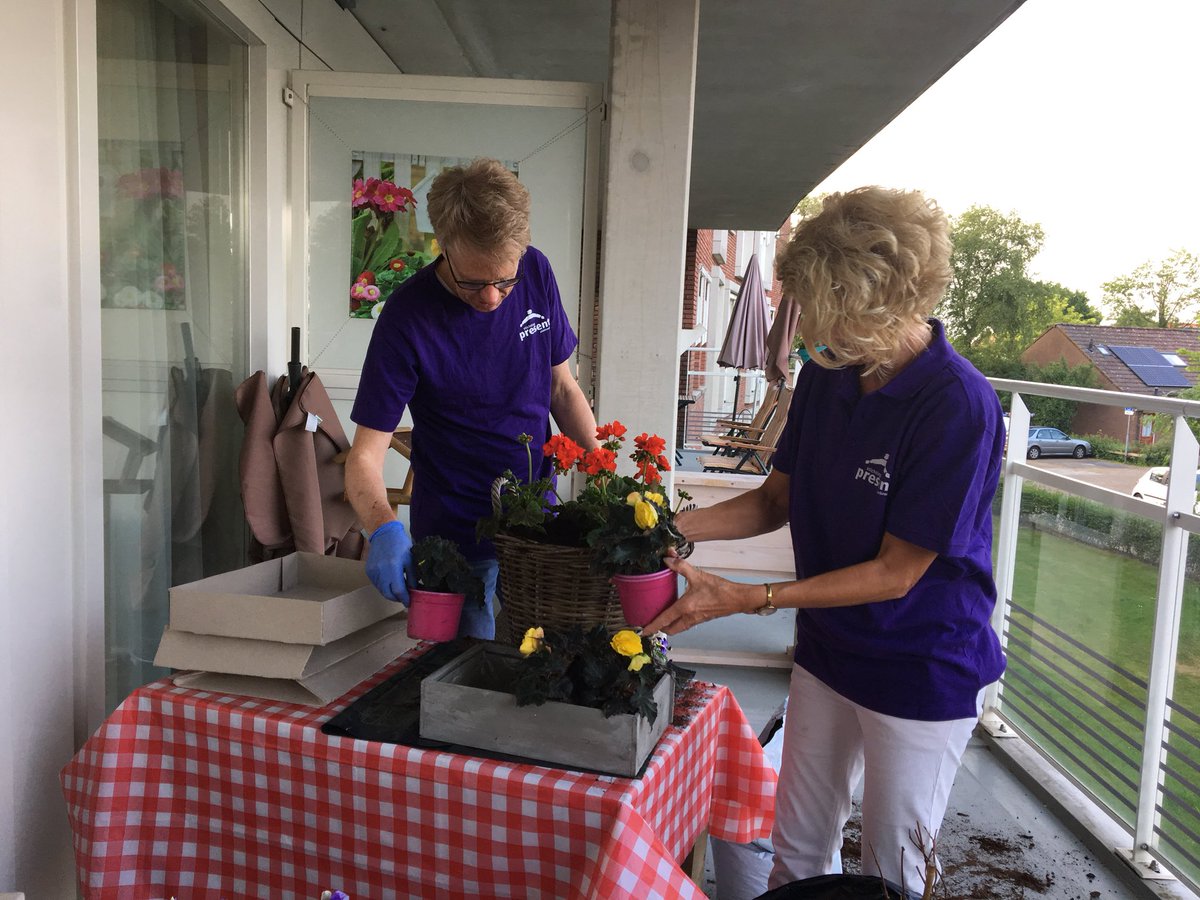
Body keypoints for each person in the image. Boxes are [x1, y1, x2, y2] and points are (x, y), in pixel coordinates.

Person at [644, 186, 1006, 894]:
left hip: (918, 665)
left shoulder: (956, 404)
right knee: (798, 851)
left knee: (893, 871)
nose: (803, 321)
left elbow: (896, 573)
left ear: (868, 304)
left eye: (813, 305)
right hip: (830, 651)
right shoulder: (827, 377)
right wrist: (665, 525)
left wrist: (751, 598)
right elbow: (773, 501)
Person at [346, 158, 598, 639]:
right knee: (465, 669)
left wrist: (606, 473)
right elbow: (364, 456)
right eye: (473, 283)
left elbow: (562, 389)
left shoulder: (537, 272)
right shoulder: (407, 318)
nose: (492, 298)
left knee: (544, 659)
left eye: (505, 281)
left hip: (537, 526)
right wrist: (383, 529)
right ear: (443, 246)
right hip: (455, 535)